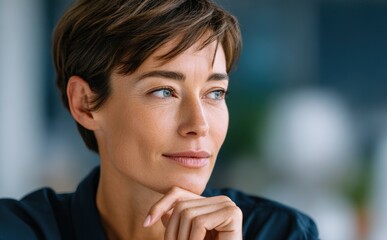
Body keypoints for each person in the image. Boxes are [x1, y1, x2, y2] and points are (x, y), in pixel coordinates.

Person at [0, 0, 319, 239]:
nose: (199, 124)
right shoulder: (16, 230)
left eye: (215, 93)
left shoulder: (282, 232)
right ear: (85, 104)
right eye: (165, 91)